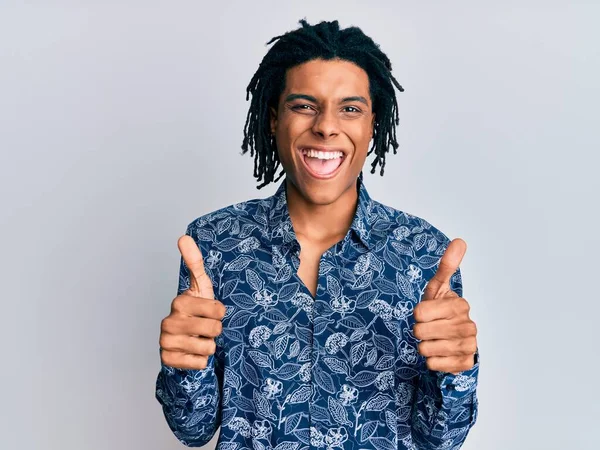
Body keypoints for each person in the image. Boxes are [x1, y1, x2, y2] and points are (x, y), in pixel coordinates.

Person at [155, 19, 479, 450]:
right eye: (304, 105)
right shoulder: (214, 243)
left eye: (350, 108)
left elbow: (441, 439)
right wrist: (184, 368)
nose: (326, 126)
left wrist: (456, 373)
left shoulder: (425, 255)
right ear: (273, 119)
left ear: (372, 126)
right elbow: (192, 430)